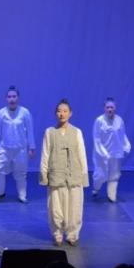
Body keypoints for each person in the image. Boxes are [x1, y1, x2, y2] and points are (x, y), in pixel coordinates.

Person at [39, 99, 88, 246]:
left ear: (70, 113)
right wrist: (44, 174)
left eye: (65, 111)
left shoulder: (77, 132)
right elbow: (45, 154)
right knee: (56, 207)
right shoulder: (50, 132)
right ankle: (57, 234)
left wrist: (84, 175)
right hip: (56, 174)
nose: (62, 114)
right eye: (59, 111)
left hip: (74, 174)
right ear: (56, 113)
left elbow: (82, 154)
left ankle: (73, 234)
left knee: (75, 206)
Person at [0, 85, 36, 203]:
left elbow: (30, 131)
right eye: (9, 97)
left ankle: (22, 195)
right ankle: (0, 193)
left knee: (21, 173)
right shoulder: (1, 113)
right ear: (6, 98)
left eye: (14, 96)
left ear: (18, 98)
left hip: (20, 149)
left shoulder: (25, 112)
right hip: (4, 148)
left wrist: (32, 147)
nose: (12, 99)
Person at [92, 97, 131, 202]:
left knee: (114, 174)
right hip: (101, 154)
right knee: (100, 174)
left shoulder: (119, 120)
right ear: (104, 108)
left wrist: (126, 145)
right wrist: (103, 152)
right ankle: (96, 188)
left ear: (115, 108)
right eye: (108, 107)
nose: (110, 109)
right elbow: (96, 139)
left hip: (115, 153)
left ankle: (111, 195)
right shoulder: (99, 121)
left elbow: (123, 135)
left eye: (112, 107)